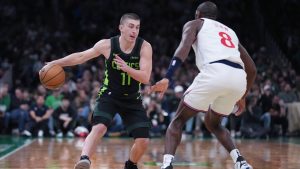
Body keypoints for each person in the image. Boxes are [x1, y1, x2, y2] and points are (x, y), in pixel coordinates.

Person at [150, 2, 256, 169]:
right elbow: (252, 69)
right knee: (213, 124)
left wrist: (168, 77)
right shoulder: (231, 32)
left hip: (215, 71)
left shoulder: (196, 24)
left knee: (177, 122)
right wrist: (242, 96)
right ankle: (241, 162)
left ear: (198, 14)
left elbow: (183, 47)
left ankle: (167, 164)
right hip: (238, 78)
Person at [46, 13, 152, 169]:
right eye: (130, 26)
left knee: (143, 141)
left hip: (132, 98)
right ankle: (84, 159)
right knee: (99, 127)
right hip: (109, 94)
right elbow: (80, 56)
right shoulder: (107, 45)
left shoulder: (144, 47)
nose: (134, 31)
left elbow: (145, 77)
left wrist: (126, 68)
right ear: (121, 28)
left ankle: (131, 164)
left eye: (137, 27)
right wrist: (55, 63)